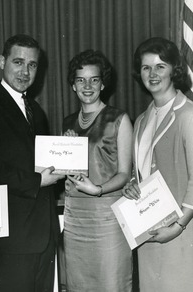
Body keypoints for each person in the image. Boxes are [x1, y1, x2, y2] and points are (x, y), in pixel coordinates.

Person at [0, 34, 64, 292]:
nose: (25, 71)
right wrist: (38, 180)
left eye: (32, 65)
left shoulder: (36, 111)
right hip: (13, 239)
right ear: (1, 61)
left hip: (44, 235)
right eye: (18, 62)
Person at [122, 37, 193, 292]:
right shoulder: (142, 119)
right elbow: (141, 170)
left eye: (160, 66)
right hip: (150, 231)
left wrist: (178, 226)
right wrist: (131, 185)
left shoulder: (189, 115)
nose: (152, 74)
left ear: (174, 69)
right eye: (145, 67)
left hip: (183, 233)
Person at [62, 49, 133, 292]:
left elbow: (124, 174)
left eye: (94, 79)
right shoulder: (68, 122)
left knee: (111, 283)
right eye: (81, 80)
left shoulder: (119, 119)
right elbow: (69, 172)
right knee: (78, 285)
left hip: (107, 217)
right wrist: (68, 148)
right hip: (75, 218)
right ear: (73, 85)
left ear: (103, 84)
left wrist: (98, 189)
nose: (88, 86)